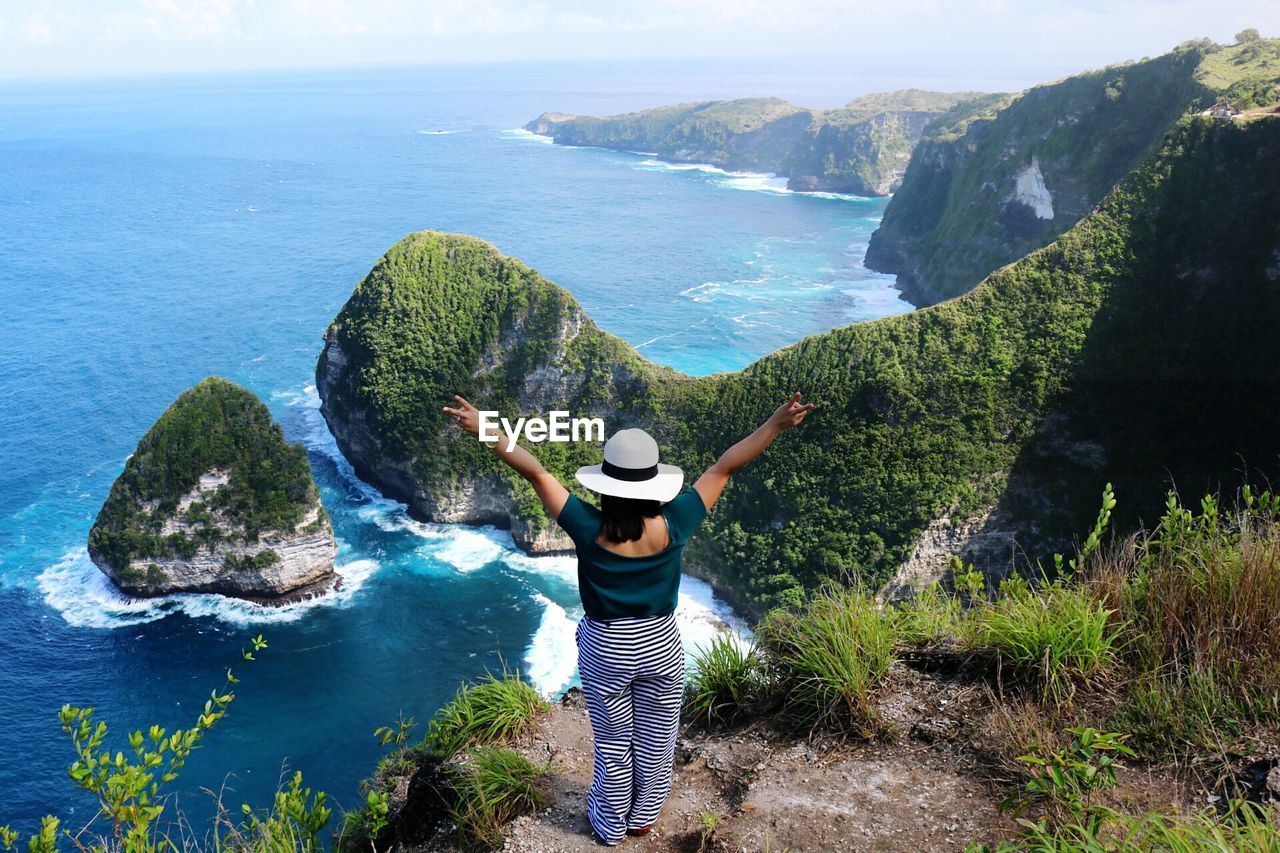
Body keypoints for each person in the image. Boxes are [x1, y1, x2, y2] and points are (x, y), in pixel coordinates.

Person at [442, 392, 815, 845]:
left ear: (605, 485)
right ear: (654, 484)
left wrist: (486, 428)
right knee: (657, 743)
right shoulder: (675, 522)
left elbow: (534, 469)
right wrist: (775, 424)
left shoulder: (586, 526)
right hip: (661, 644)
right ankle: (643, 818)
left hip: (605, 647)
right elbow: (724, 466)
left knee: (614, 745)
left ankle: (610, 825)